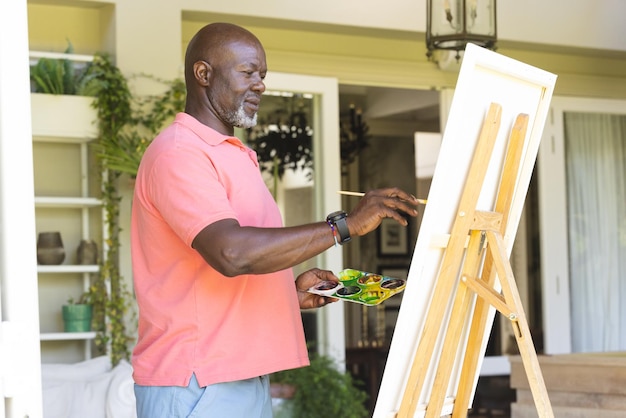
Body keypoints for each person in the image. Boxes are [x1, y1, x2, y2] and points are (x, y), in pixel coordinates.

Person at [130, 22, 420, 418]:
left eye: (262, 75)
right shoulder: (179, 153)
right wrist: (343, 225)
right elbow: (232, 252)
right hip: (197, 382)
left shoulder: (234, 154)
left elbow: (233, 261)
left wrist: (284, 290)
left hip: (238, 377)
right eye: (248, 72)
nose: (261, 84)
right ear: (203, 74)